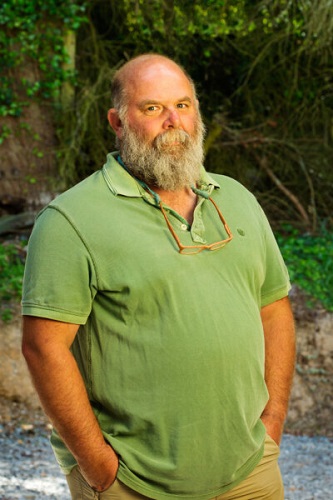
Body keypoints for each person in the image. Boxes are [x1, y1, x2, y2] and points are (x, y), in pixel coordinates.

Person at [22, 54, 296, 500]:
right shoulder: (71, 220)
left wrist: (273, 422)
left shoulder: (238, 199)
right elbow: (43, 348)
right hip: (134, 482)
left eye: (183, 105)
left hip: (249, 473)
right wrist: (100, 467)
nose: (173, 121)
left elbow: (274, 309)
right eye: (152, 108)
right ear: (117, 120)